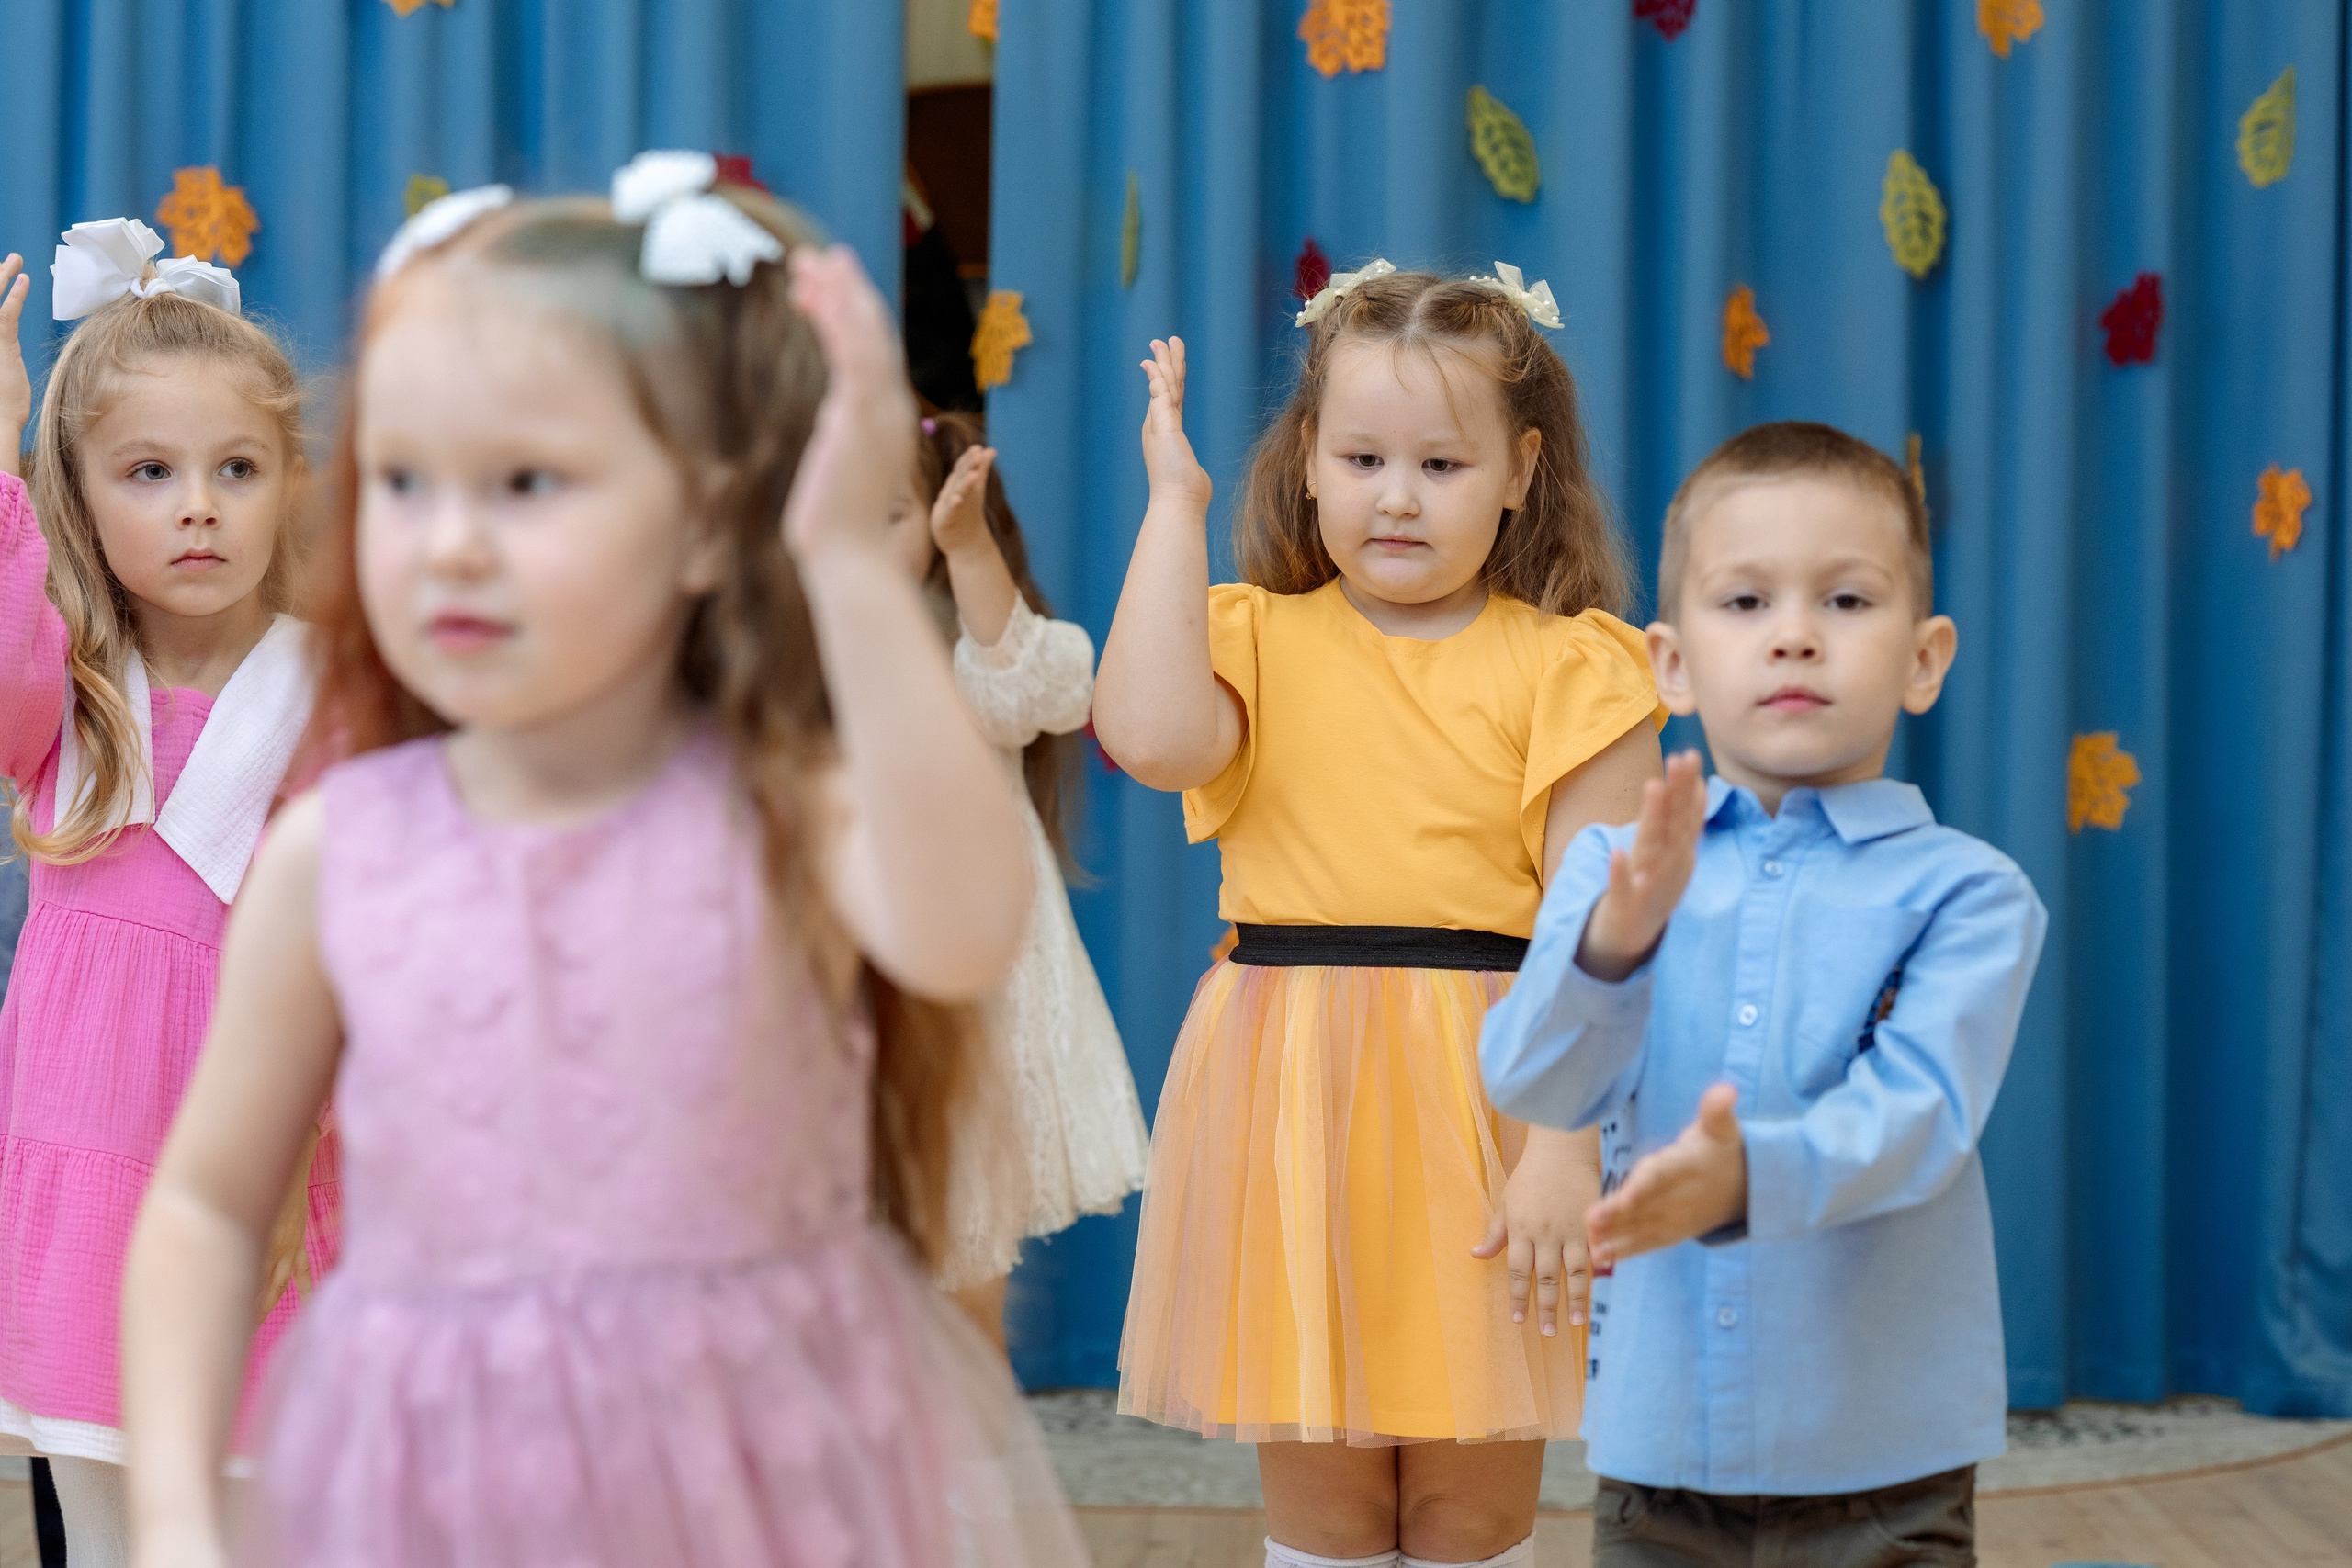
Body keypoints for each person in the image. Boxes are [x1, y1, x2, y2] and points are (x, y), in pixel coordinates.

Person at [118, 158, 1089, 1567]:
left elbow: (960, 925)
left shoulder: (789, 812)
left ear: (707, 520)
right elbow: (208, 1202)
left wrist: (844, 564)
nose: (449, 542)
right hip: (435, 1494)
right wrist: (173, 1518)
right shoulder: (339, 852)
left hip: (758, 1487)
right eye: (403, 479)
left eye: (527, 482)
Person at [1097, 260, 1668, 1568]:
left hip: (1498, 1096)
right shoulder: (1247, 635)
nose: (1396, 495)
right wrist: (1173, 512)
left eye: (1443, 464)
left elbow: (1602, 934)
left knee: (1471, 1505)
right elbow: (1144, 731)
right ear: (1307, 461)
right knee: (1331, 1501)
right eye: (1360, 455)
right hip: (1291, 1090)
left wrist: (1561, 1150)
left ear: (1525, 471)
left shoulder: (1576, 665)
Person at [1479, 422, 2048, 1568]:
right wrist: (1612, 950)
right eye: (1744, 604)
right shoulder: (1609, 874)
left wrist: (1751, 1175)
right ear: (1672, 665)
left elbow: (1920, 1119)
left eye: (1845, 602)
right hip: (1657, 1448)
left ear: (1925, 658)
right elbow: (1531, 1076)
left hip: (1883, 1460)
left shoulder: (1972, 896)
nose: (1793, 636)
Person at [0, 229, 332, 1568]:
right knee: (110, 1524)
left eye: (236, 469)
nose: (199, 505)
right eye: (149, 471)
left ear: (287, 487)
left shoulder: (343, 694)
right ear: (76, 494)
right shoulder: (63, 689)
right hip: (87, 1203)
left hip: (278, 1193)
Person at [890, 410, 1148, 1343]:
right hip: (835, 996)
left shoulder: (959, 652)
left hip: (960, 1002)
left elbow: (1036, 689)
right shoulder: (783, 648)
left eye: (889, 515)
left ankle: (962, 1466)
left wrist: (964, 550)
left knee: (961, 1268)